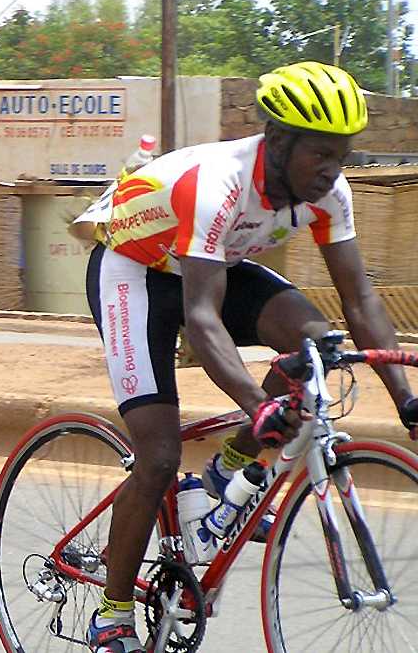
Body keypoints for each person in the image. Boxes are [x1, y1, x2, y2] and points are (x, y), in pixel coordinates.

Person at [82, 61, 418, 652]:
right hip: (135, 272)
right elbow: (203, 319)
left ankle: (229, 467)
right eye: (321, 153)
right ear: (280, 141)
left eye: (342, 154)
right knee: (158, 453)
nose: (333, 169)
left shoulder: (328, 193)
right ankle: (110, 614)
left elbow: (360, 301)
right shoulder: (221, 182)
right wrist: (258, 402)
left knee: (322, 346)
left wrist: (408, 402)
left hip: (212, 267)